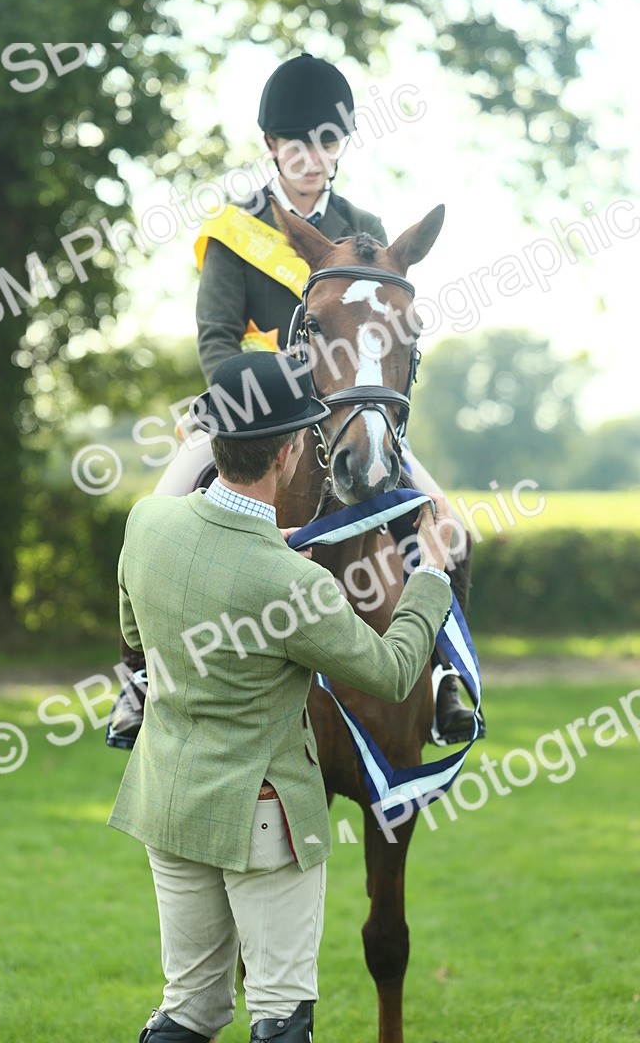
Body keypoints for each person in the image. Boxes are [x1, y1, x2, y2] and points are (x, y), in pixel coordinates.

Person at [109, 351, 456, 1043]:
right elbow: (390, 672)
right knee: (281, 1016)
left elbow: (133, 633)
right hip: (264, 820)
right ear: (294, 450)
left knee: (190, 1009)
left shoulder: (147, 524)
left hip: (168, 806)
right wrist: (432, 577)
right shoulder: (295, 585)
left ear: (215, 443)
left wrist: (267, 554)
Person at [153, 52, 477, 743]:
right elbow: (215, 342)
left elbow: (381, 331)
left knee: (452, 524)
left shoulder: (363, 222)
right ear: (271, 144)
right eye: (296, 144)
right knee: (161, 505)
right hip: (245, 410)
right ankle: (140, 678)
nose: (310, 156)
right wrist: (278, 398)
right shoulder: (234, 230)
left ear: (340, 147)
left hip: (348, 410)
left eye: (325, 142)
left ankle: (446, 674)